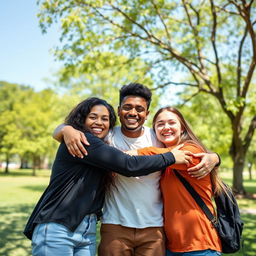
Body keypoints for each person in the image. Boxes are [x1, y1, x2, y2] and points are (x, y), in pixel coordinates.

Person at [53, 83, 220, 256]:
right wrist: (66, 129)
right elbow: (78, 139)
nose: (133, 113)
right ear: (118, 111)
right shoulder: (106, 136)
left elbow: (183, 152)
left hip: (154, 228)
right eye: (127, 107)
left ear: (147, 114)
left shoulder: (157, 137)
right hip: (115, 226)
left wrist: (214, 157)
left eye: (139, 109)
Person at [23, 97, 191, 256]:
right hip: (59, 224)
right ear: (82, 120)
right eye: (93, 117)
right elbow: (128, 165)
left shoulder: (101, 146)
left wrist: (213, 158)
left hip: (86, 229)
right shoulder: (83, 140)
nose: (99, 122)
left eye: (105, 119)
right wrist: (171, 157)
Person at [137, 106, 225, 255]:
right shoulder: (163, 164)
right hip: (171, 247)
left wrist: (126, 155)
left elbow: (157, 153)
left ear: (182, 127)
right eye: (160, 124)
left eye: (171, 122)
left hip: (200, 245)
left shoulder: (192, 150)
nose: (166, 127)